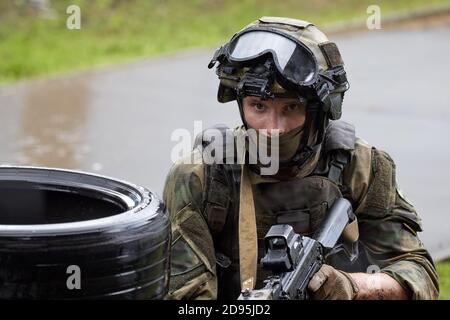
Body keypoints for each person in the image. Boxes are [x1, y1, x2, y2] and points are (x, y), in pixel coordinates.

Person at [163, 16, 439, 300]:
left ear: (319, 111)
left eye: (291, 107)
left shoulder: (360, 166)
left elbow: (419, 276)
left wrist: (351, 287)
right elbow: (187, 299)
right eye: (258, 106)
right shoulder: (201, 177)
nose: (273, 128)